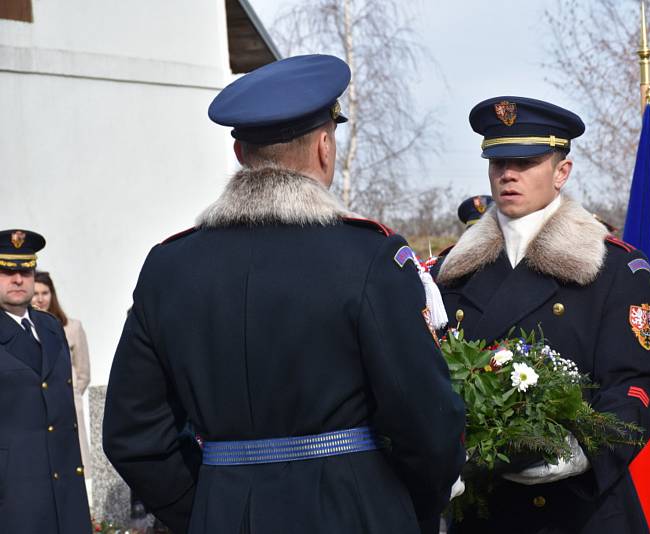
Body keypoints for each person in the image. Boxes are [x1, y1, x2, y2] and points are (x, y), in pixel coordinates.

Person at [102, 54, 465, 534]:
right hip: (356, 514)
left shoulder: (169, 267)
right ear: (323, 147)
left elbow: (134, 435)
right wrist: (399, 505)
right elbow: (426, 423)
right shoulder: (368, 256)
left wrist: (208, 507)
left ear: (239, 155)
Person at [431, 97, 650, 533]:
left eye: (526, 161)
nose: (508, 173)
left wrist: (585, 449)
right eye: (498, 160)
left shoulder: (613, 268)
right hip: (482, 507)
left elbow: (640, 384)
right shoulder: (449, 273)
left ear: (562, 172)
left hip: (578, 508)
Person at [0, 229, 91, 532]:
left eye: (25, 270)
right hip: (15, 495)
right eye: (6, 271)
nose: (17, 279)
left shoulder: (51, 327)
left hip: (65, 489)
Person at [32, 271, 92, 479]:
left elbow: (83, 372)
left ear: (52, 294)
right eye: (36, 293)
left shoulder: (72, 327)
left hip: (69, 404)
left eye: (45, 293)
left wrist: (71, 393)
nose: (40, 298)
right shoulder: (26, 329)